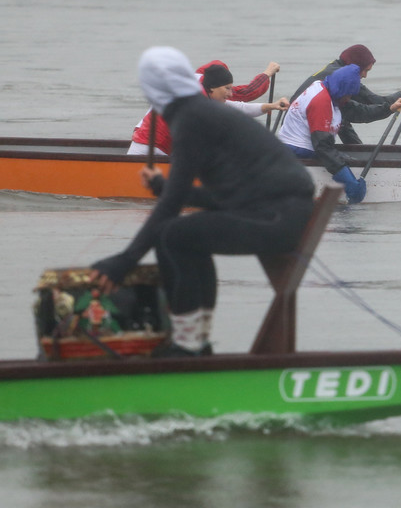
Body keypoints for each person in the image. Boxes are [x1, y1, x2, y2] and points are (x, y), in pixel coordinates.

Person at [91, 46, 316, 358]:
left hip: (277, 218)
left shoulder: (191, 119)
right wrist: (164, 186)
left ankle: (188, 344)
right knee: (183, 235)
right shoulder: (201, 112)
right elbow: (218, 199)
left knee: (173, 235)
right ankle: (197, 342)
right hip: (282, 212)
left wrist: (124, 261)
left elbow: (171, 207)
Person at [277, 64, 401, 204]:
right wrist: (349, 182)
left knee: (344, 158)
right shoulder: (321, 102)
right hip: (299, 150)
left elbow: (358, 111)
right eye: (349, 95)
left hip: (301, 146)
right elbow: (323, 147)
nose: (349, 99)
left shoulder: (328, 88)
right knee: (343, 163)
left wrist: (389, 108)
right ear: (342, 90)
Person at [128, 61, 288, 155]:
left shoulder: (201, 86)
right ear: (212, 86)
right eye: (227, 88)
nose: (230, 93)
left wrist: (271, 106)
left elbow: (237, 107)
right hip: (150, 148)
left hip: (154, 143)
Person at [289, 44, 401, 144]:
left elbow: (350, 113)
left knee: (342, 118)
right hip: (301, 135)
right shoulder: (343, 79)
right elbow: (374, 103)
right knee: (343, 117)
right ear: (355, 66)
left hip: (297, 127)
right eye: (365, 70)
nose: (365, 76)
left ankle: (357, 153)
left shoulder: (337, 69)